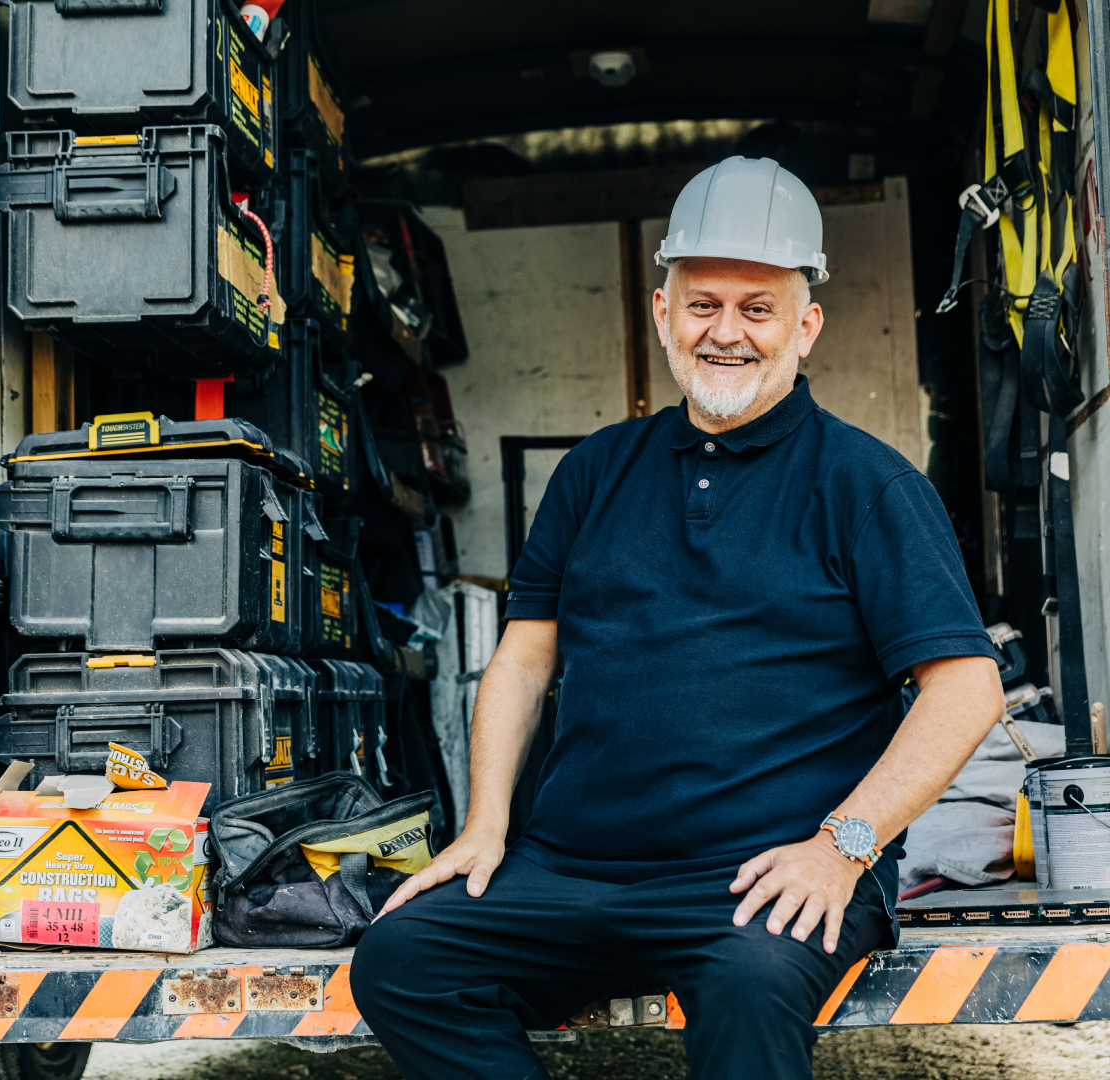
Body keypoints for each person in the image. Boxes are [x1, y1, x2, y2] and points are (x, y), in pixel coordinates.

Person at [350, 157, 1004, 1080]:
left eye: (757, 307)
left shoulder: (866, 484)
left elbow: (965, 688)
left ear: (806, 326)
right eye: (702, 304)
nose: (725, 332)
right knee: (404, 960)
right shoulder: (594, 472)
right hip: (575, 867)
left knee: (744, 988)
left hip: (770, 875)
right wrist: (486, 822)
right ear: (663, 314)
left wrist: (843, 847)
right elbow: (526, 659)